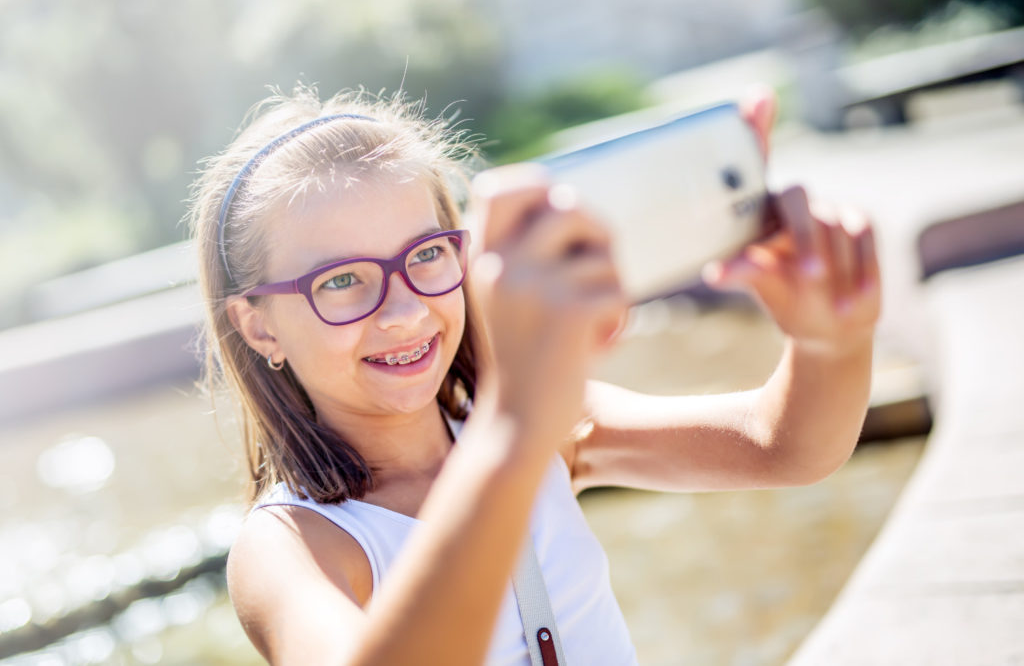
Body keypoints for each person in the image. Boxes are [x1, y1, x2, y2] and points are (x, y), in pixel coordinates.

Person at [187, 85, 880, 665]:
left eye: (426, 253)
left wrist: (831, 340)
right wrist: (516, 424)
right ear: (259, 325)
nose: (403, 310)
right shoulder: (289, 546)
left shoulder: (544, 424)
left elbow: (784, 445)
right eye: (340, 279)